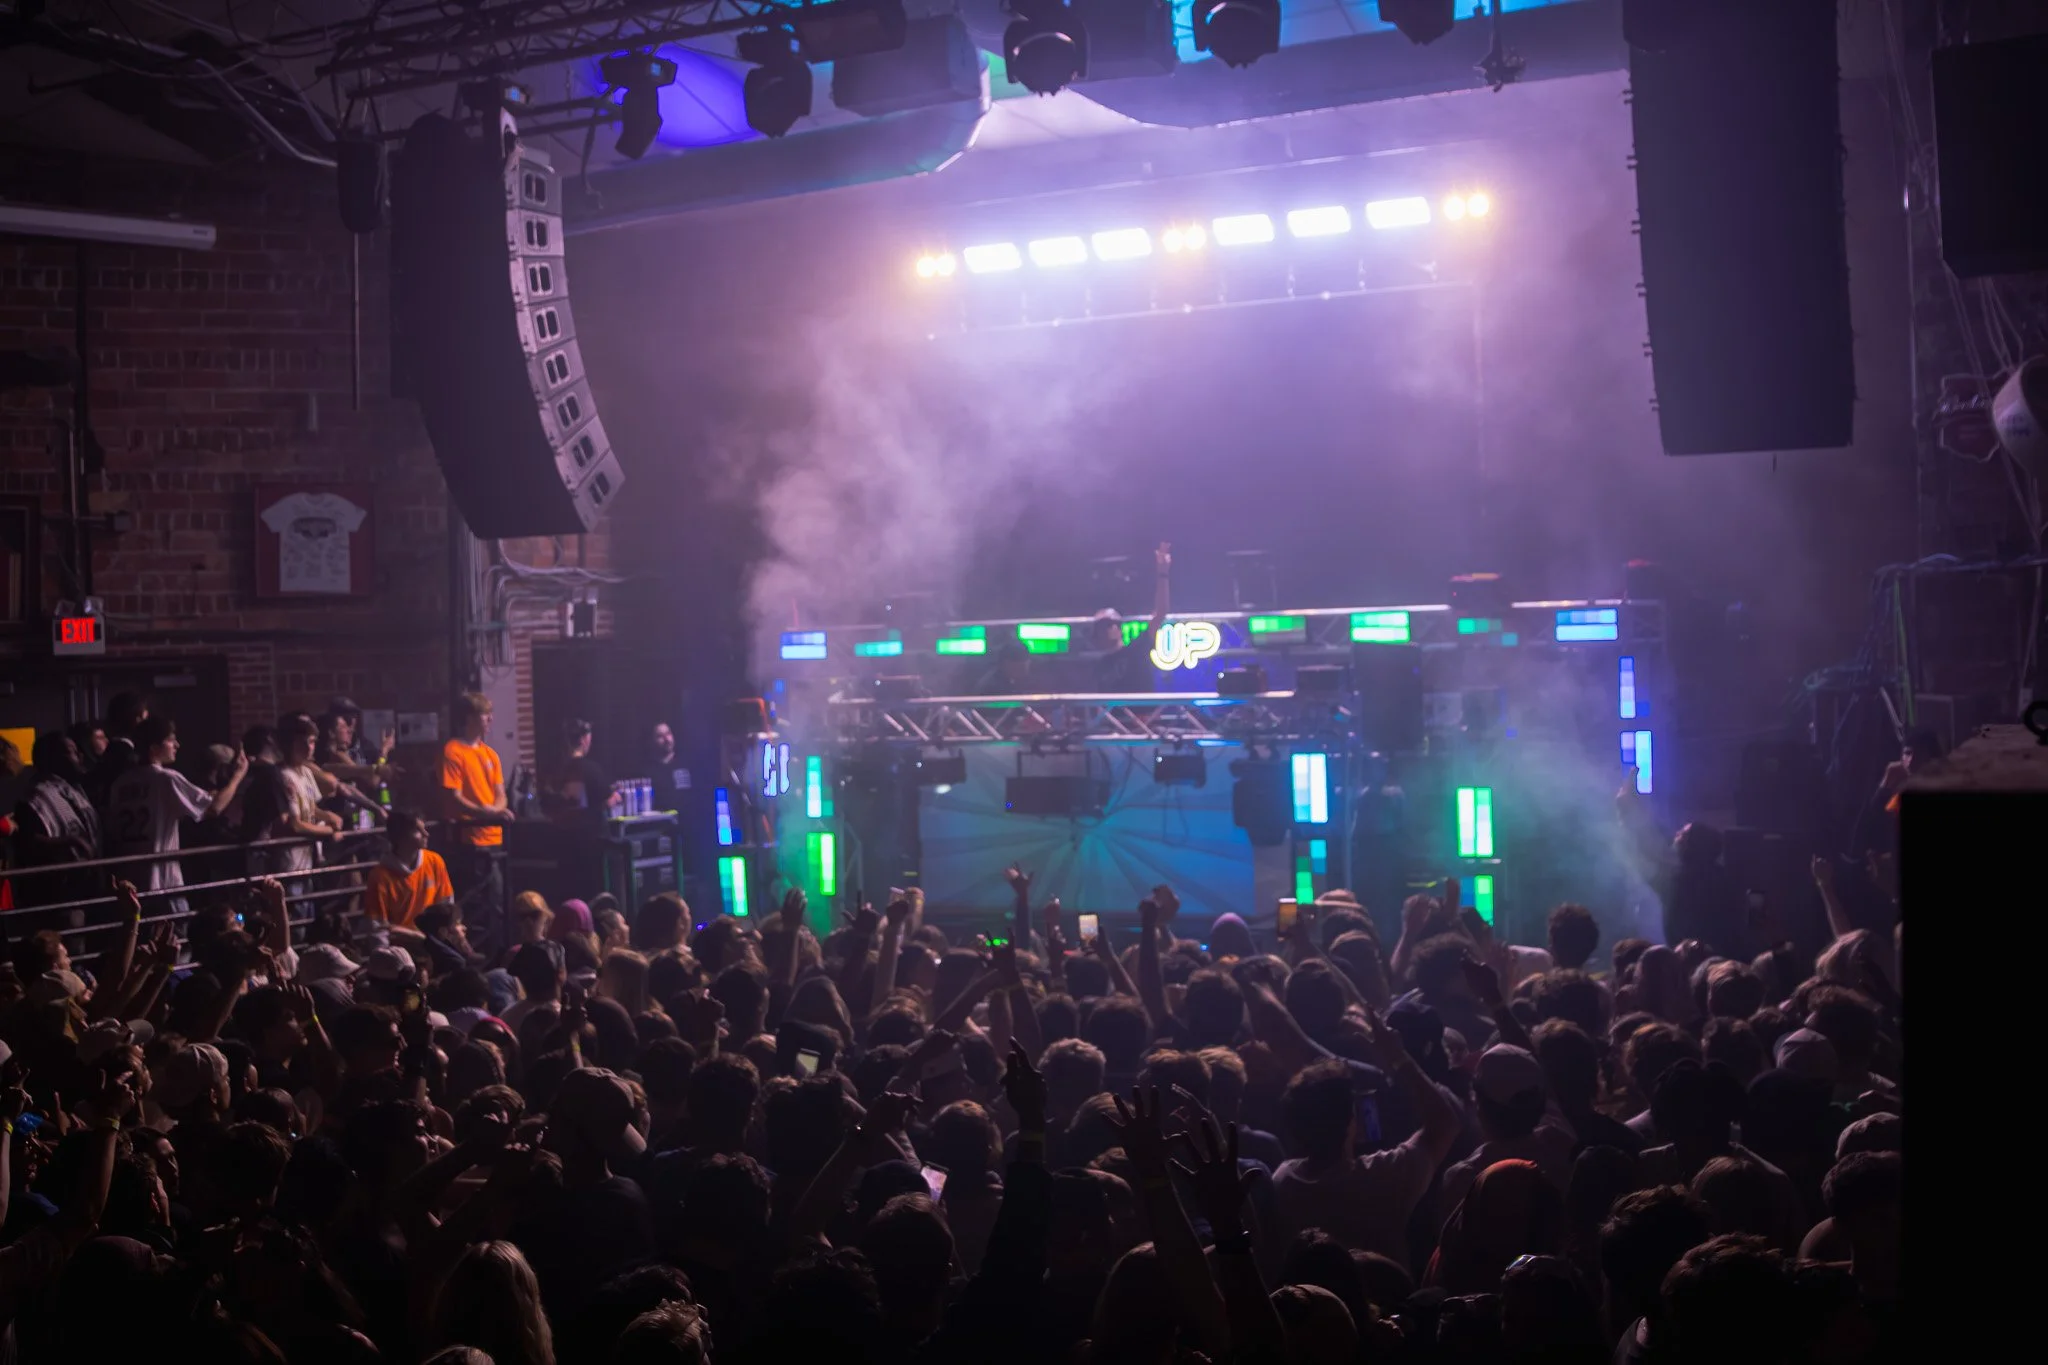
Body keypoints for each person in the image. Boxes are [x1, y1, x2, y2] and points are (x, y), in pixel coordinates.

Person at [107, 715, 247, 903]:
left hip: (129, 876)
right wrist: (238, 776)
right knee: (175, 920)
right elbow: (213, 809)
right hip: (162, 879)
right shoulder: (166, 779)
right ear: (154, 748)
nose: (177, 745)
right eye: (170, 740)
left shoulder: (120, 782)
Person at [442, 691, 512, 914]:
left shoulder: (491, 754)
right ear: (470, 718)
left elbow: (501, 794)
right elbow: (454, 798)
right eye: (485, 714)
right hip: (470, 841)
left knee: (498, 902)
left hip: (495, 838)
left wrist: (495, 811)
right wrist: (488, 813)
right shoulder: (453, 751)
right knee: (475, 904)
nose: (490, 719)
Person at [1077, 542, 1171, 692]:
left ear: (1119, 628)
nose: (1108, 629)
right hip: (1115, 708)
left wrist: (1163, 573)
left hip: (1142, 707)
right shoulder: (1100, 666)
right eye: (1102, 627)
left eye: (1110, 624)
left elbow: (1161, 612)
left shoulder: (1137, 648)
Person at [364, 809, 455, 931]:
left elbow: (447, 904)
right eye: (417, 830)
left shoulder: (434, 861)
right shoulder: (379, 877)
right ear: (400, 836)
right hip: (399, 940)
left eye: (424, 828)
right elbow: (377, 925)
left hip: (433, 937)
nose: (426, 834)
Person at [547, 717, 616, 822]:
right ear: (583, 740)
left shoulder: (558, 770)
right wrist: (615, 797)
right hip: (590, 830)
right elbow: (607, 801)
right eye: (589, 739)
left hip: (564, 830)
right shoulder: (592, 770)